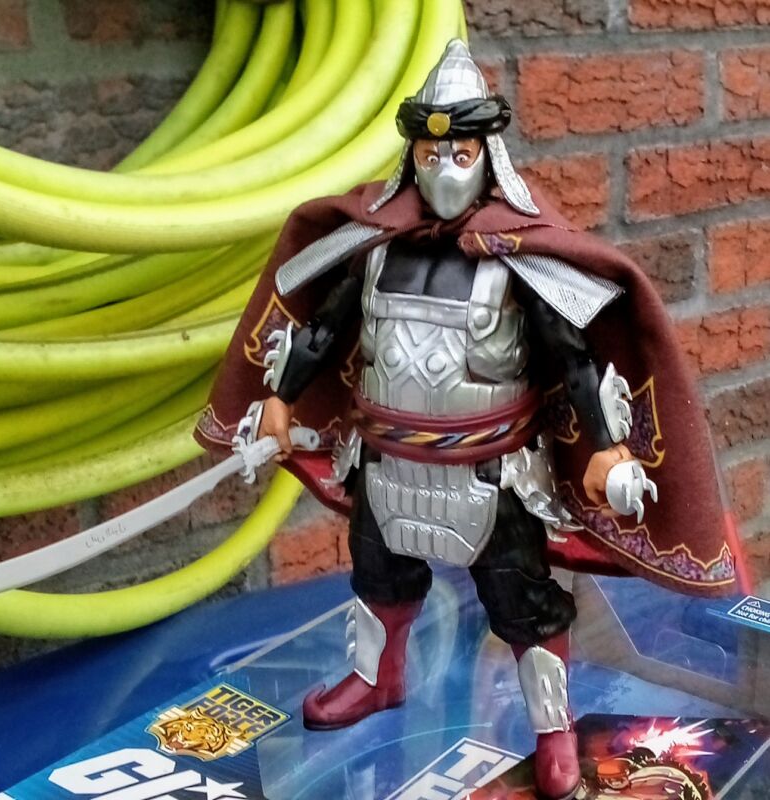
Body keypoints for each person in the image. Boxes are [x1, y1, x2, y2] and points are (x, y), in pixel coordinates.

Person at [195, 40, 741, 800]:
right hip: (386, 461)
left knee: (523, 606)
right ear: (411, 157)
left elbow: (573, 359)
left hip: (492, 473)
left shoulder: (518, 262)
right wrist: (282, 398)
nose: (444, 168)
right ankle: (376, 680)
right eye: (429, 153)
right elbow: (320, 332)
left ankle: (552, 730)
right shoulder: (375, 253)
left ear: (488, 157)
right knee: (377, 578)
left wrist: (605, 446)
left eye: (460, 153)